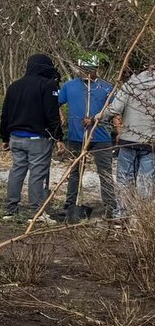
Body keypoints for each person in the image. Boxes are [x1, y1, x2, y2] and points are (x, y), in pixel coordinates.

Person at [0, 54, 62, 223]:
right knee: (37, 175)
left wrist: (4, 137)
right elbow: (52, 114)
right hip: (38, 139)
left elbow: (5, 115)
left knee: (17, 172)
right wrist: (58, 137)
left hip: (15, 138)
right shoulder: (48, 86)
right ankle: (37, 212)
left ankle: (11, 210)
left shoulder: (14, 86)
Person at [59, 54, 118, 224]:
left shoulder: (107, 88)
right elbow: (56, 104)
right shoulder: (69, 86)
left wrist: (118, 130)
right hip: (76, 137)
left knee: (104, 172)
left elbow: (114, 111)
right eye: (83, 69)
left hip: (101, 136)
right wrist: (61, 118)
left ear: (96, 69)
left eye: (89, 70)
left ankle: (110, 206)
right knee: (75, 171)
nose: (86, 73)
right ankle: (70, 204)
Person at [108, 61, 155, 214]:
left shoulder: (130, 85)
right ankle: (142, 216)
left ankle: (121, 214)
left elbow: (115, 108)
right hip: (150, 142)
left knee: (124, 179)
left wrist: (96, 118)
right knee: (146, 181)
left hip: (128, 140)